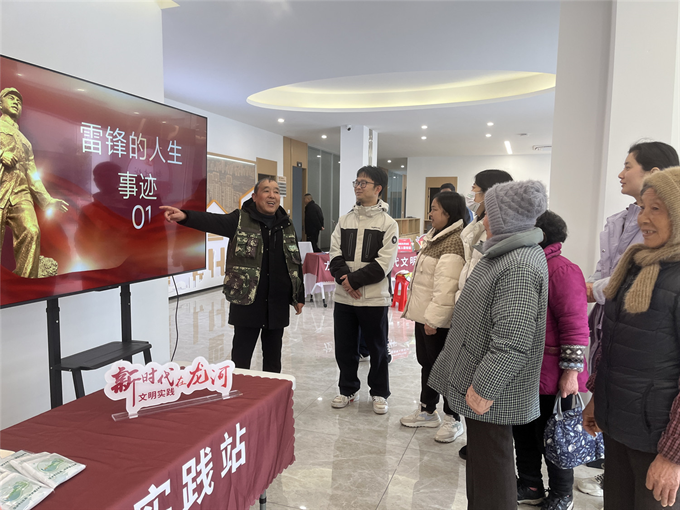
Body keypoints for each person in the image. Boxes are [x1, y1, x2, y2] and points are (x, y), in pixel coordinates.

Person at [429, 180, 548, 510]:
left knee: (492, 468)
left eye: (489, 213)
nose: (483, 220)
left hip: (491, 391)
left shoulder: (518, 264)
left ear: (507, 217)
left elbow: (513, 340)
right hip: (480, 381)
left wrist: (485, 387)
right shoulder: (505, 253)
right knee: (484, 467)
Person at [578, 141, 679, 498]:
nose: (643, 218)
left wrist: (672, 455)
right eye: (643, 208)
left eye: (657, 209)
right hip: (619, 424)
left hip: (658, 439)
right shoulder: (634, 267)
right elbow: (613, 345)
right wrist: (597, 399)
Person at [160, 177, 304, 373]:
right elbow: (212, 221)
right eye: (266, 190)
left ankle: (272, 391)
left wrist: (298, 296)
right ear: (255, 197)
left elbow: (295, 261)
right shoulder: (240, 219)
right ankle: (239, 391)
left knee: (273, 359)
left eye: (276, 192)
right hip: (247, 302)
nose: (272, 195)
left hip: (277, 303)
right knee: (241, 358)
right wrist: (185, 216)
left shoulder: (287, 225)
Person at [513, 210, 590, 510]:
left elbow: (575, 325)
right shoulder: (531, 265)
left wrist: (570, 373)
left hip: (553, 374)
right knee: (524, 433)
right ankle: (530, 483)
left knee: (556, 436)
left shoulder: (561, 269)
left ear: (539, 235)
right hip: (527, 371)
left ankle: (562, 494)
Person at [329, 165, 398, 415]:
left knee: (377, 349)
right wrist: (345, 281)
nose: (358, 187)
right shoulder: (344, 220)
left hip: (374, 299)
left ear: (378, 188)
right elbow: (334, 253)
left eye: (363, 183)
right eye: (356, 182)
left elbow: (384, 263)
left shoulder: (388, 224)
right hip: (345, 298)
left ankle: (379, 392)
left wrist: (353, 281)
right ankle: (347, 388)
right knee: (345, 347)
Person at [455, 168, 514, 460]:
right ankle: (476, 438)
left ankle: (484, 442)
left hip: (484, 318)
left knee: (484, 389)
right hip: (468, 308)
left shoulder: (506, 235)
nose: (472, 194)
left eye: (476, 189)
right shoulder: (478, 223)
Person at [400, 191, 468, 443]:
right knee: (427, 363)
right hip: (424, 315)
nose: (430, 213)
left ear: (448, 213)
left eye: (435, 209)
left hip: (437, 320)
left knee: (445, 368)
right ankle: (428, 410)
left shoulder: (454, 242)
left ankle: (453, 417)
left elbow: (446, 288)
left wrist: (434, 320)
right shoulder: (436, 237)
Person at [0, 87, 68, 278]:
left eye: (19, 101)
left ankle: (25, 283)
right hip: (1, 188)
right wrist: (1, 154)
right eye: (11, 98)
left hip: (20, 193)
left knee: (31, 231)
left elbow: (33, 174)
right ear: (0, 104)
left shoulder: (26, 142)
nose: (16, 102)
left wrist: (47, 200)